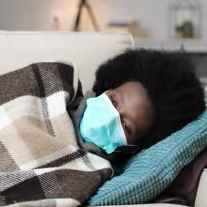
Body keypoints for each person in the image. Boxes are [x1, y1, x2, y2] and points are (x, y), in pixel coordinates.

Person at [70, 49, 206, 163]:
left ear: (133, 147)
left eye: (126, 126)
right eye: (114, 101)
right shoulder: (65, 87)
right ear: (106, 89)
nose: (110, 118)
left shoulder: (101, 173)